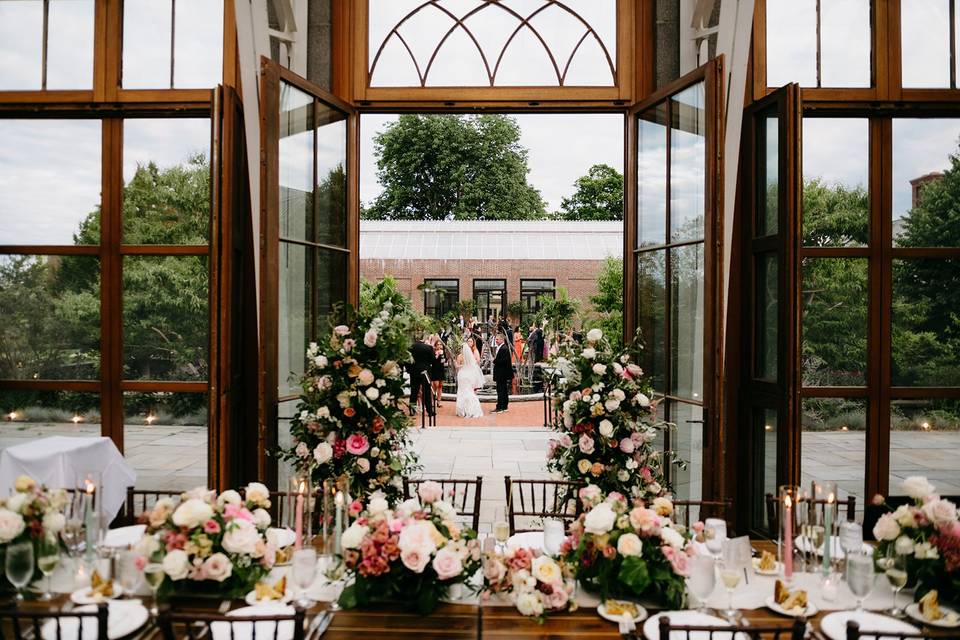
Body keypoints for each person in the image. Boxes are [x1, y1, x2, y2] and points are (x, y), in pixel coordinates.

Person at [408, 336, 436, 418]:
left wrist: (409, 370)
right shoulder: (428, 348)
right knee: (427, 392)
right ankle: (429, 411)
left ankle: (412, 410)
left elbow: (407, 360)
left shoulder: (410, 348)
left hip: (414, 372)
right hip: (425, 372)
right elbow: (433, 360)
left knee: (414, 392)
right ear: (422, 339)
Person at [455, 340, 484, 418]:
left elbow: (457, 367)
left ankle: (462, 410)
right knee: (469, 391)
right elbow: (474, 366)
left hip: (462, 375)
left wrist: (460, 366)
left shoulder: (460, 356)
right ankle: (472, 408)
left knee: (461, 391)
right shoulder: (471, 356)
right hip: (469, 376)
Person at [492, 332, 513, 414]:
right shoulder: (502, 347)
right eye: (496, 339)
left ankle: (500, 407)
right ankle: (503, 406)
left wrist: (494, 361)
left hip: (502, 374)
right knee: (503, 390)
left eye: (497, 339)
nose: (496, 341)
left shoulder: (504, 348)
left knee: (501, 390)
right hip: (502, 374)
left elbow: (503, 361)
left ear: (502, 339)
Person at [431, 337, 446, 408]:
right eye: (438, 344)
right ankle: (432, 400)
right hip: (435, 369)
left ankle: (439, 401)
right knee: (435, 385)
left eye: (440, 344)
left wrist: (442, 355)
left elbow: (443, 361)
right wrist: (437, 355)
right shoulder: (433, 351)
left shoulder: (443, 351)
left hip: (441, 369)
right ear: (435, 345)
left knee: (440, 385)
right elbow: (432, 361)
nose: (439, 346)